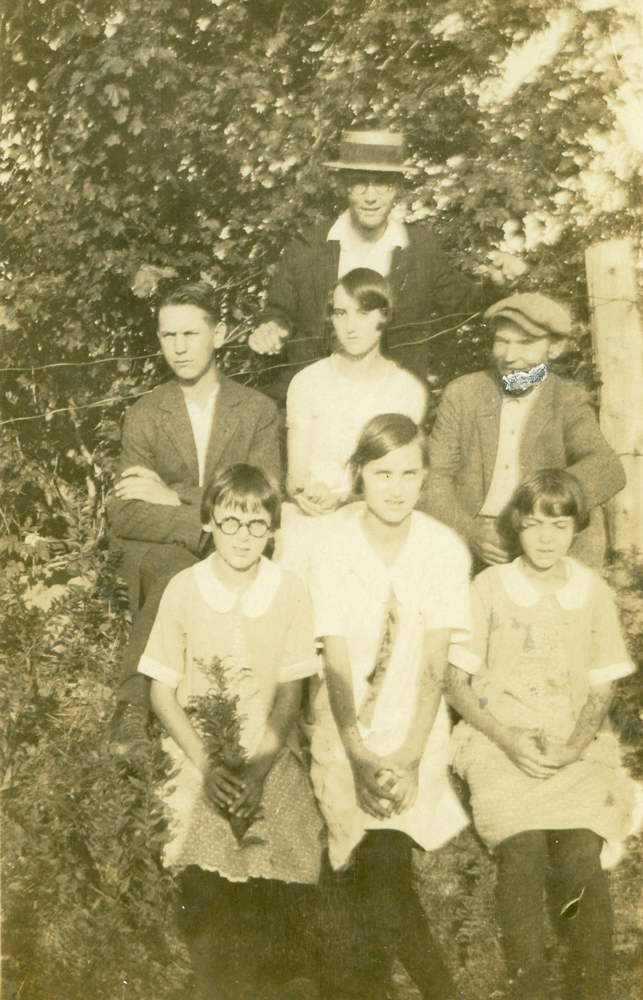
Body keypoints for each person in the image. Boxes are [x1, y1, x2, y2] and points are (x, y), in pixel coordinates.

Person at [445, 469, 640, 1000]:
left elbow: (602, 688)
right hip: (501, 740)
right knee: (524, 851)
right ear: (516, 527)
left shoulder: (591, 591)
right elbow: (456, 683)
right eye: (533, 525)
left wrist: (575, 747)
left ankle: (592, 988)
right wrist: (506, 737)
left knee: (579, 851)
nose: (546, 538)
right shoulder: (488, 587)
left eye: (558, 525)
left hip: (571, 743)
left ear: (576, 525)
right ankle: (528, 984)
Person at [137, 464, 324, 1000]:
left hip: (267, 748)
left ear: (273, 529)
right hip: (199, 752)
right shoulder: (184, 589)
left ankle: (283, 975)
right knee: (208, 847)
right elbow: (161, 692)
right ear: (209, 523)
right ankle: (217, 976)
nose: (243, 538)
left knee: (282, 843)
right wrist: (209, 763)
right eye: (230, 523)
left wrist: (262, 767)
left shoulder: (289, 591)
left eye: (257, 525)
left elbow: (290, 692)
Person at [308, 413, 471, 1000]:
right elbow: (335, 660)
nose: (396, 488)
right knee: (371, 873)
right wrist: (355, 750)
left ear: (425, 477)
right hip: (342, 725)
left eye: (409, 473)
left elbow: (435, 665)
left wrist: (405, 755)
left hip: (415, 728)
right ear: (358, 475)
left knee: (381, 863)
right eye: (382, 474)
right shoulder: (330, 547)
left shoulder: (443, 549)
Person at [107, 283, 280, 749]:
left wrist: (171, 495)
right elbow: (124, 511)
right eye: (167, 336)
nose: (179, 348)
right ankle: (134, 710)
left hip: (238, 539)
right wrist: (200, 526)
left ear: (219, 334)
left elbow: (264, 498)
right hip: (164, 548)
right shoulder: (146, 412)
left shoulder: (257, 411)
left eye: (190, 334)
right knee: (172, 568)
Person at [249, 130, 494, 400]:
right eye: (359, 184)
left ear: (398, 187)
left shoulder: (420, 250)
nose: (370, 197)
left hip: (392, 406)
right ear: (344, 185)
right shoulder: (308, 247)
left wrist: (499, 284)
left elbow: (468, 306)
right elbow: (277, 312)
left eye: (382, 184)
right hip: (317, 403)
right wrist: (270, 327)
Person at [424, 292, 625, 568]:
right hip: (471, 532)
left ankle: (572, 600)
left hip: (539, 532)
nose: (509, 356)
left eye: (526, 343)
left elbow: (608, 468)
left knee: (590, 515)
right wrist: (468, 531)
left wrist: (536, 516)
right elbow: (435, 476)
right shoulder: (463, 394)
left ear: (553, 349)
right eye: (502, 341)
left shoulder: (567, 400)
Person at [286, 267, 426, 515]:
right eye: (341, 313)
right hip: (311, 513)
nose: (350, 326)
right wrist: (303, 493)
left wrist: (341, 499)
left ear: (384, 316)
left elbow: (395, 476)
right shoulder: (307, 381)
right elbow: (296, 473)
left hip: (374, 513)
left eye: (363, 313)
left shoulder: (406, 391)